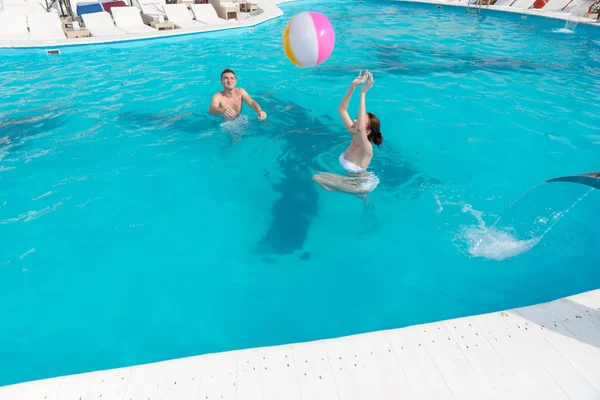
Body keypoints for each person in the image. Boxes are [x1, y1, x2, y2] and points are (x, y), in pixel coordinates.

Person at [312, 70, 383, 195]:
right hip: (350, 179)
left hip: (361, 184)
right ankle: (342, 188)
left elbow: (360, 128)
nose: (355, 120)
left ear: (367, 131)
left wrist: (363, 93)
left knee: (317, 178)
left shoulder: (367, 149)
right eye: (356, 117)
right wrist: (353, 86)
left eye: (359, 120)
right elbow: (342, 110)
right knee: (320, 178)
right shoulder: (353, 133)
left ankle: (360, 193)